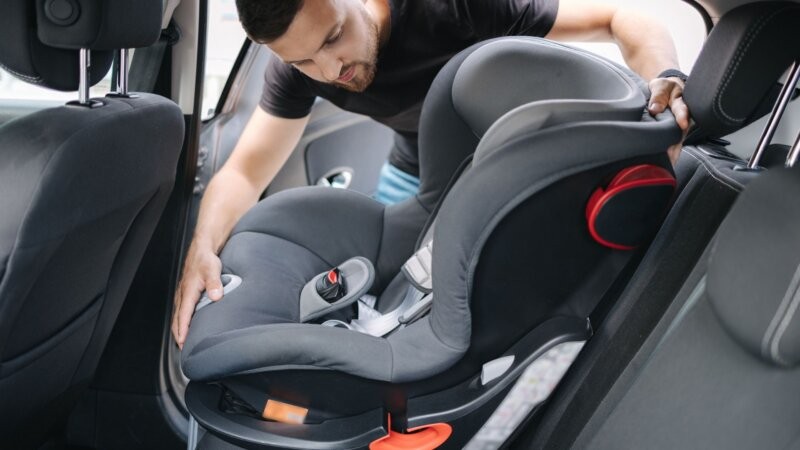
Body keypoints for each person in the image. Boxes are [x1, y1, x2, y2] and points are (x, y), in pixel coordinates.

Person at [172, 0, 691, 348]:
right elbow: (244, 171)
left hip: (512, 157)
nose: (331, 71)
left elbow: (620, 16)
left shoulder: (453, 7)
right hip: (419, 169)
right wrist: (202, 248)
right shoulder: (299, 71)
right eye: (305, 60)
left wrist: (664, 78)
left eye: (334, 38)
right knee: (385, 294)